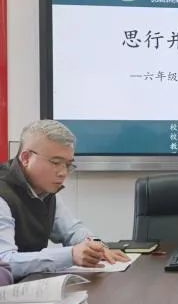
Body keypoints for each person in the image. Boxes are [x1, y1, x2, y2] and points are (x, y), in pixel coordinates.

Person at [0, 120, 129, 280]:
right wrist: (70, 255)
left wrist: (98, 246)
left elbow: (73, 230)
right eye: (56, 163)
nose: (63, 173)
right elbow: (5, 262)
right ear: (26, 158)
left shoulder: (45, 189)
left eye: (68, 165)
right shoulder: (3, 194)